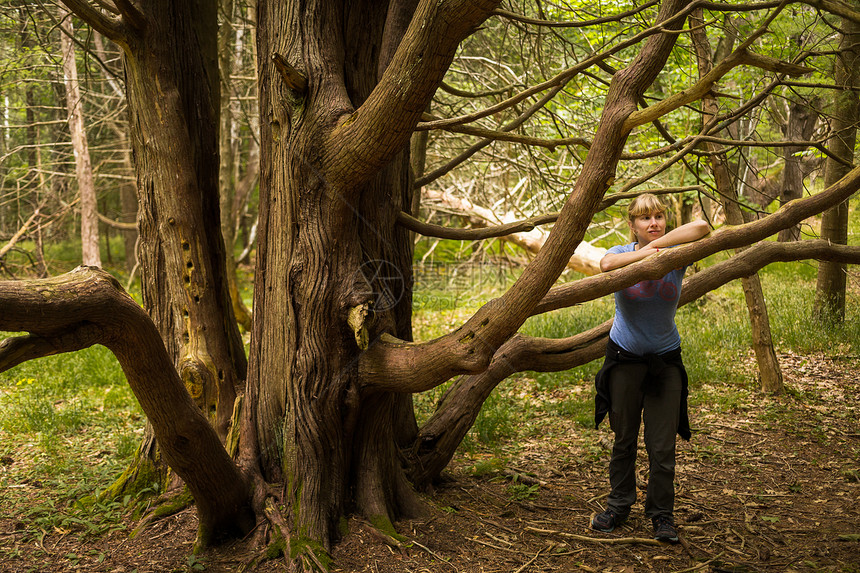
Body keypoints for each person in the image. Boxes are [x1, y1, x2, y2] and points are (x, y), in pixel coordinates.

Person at [591, 193, 709, 543]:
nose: (653, 223)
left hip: (665, 361)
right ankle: (618, 506)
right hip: (625, 358)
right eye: (645, 218)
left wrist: (660, 249)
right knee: (624, 438)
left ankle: (662, 516)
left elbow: (702, 226)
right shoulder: (622, 253)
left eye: (658, 216)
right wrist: (644, 254)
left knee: (662, 445)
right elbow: (606, 266)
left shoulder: (677, 255)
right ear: (632, 225)